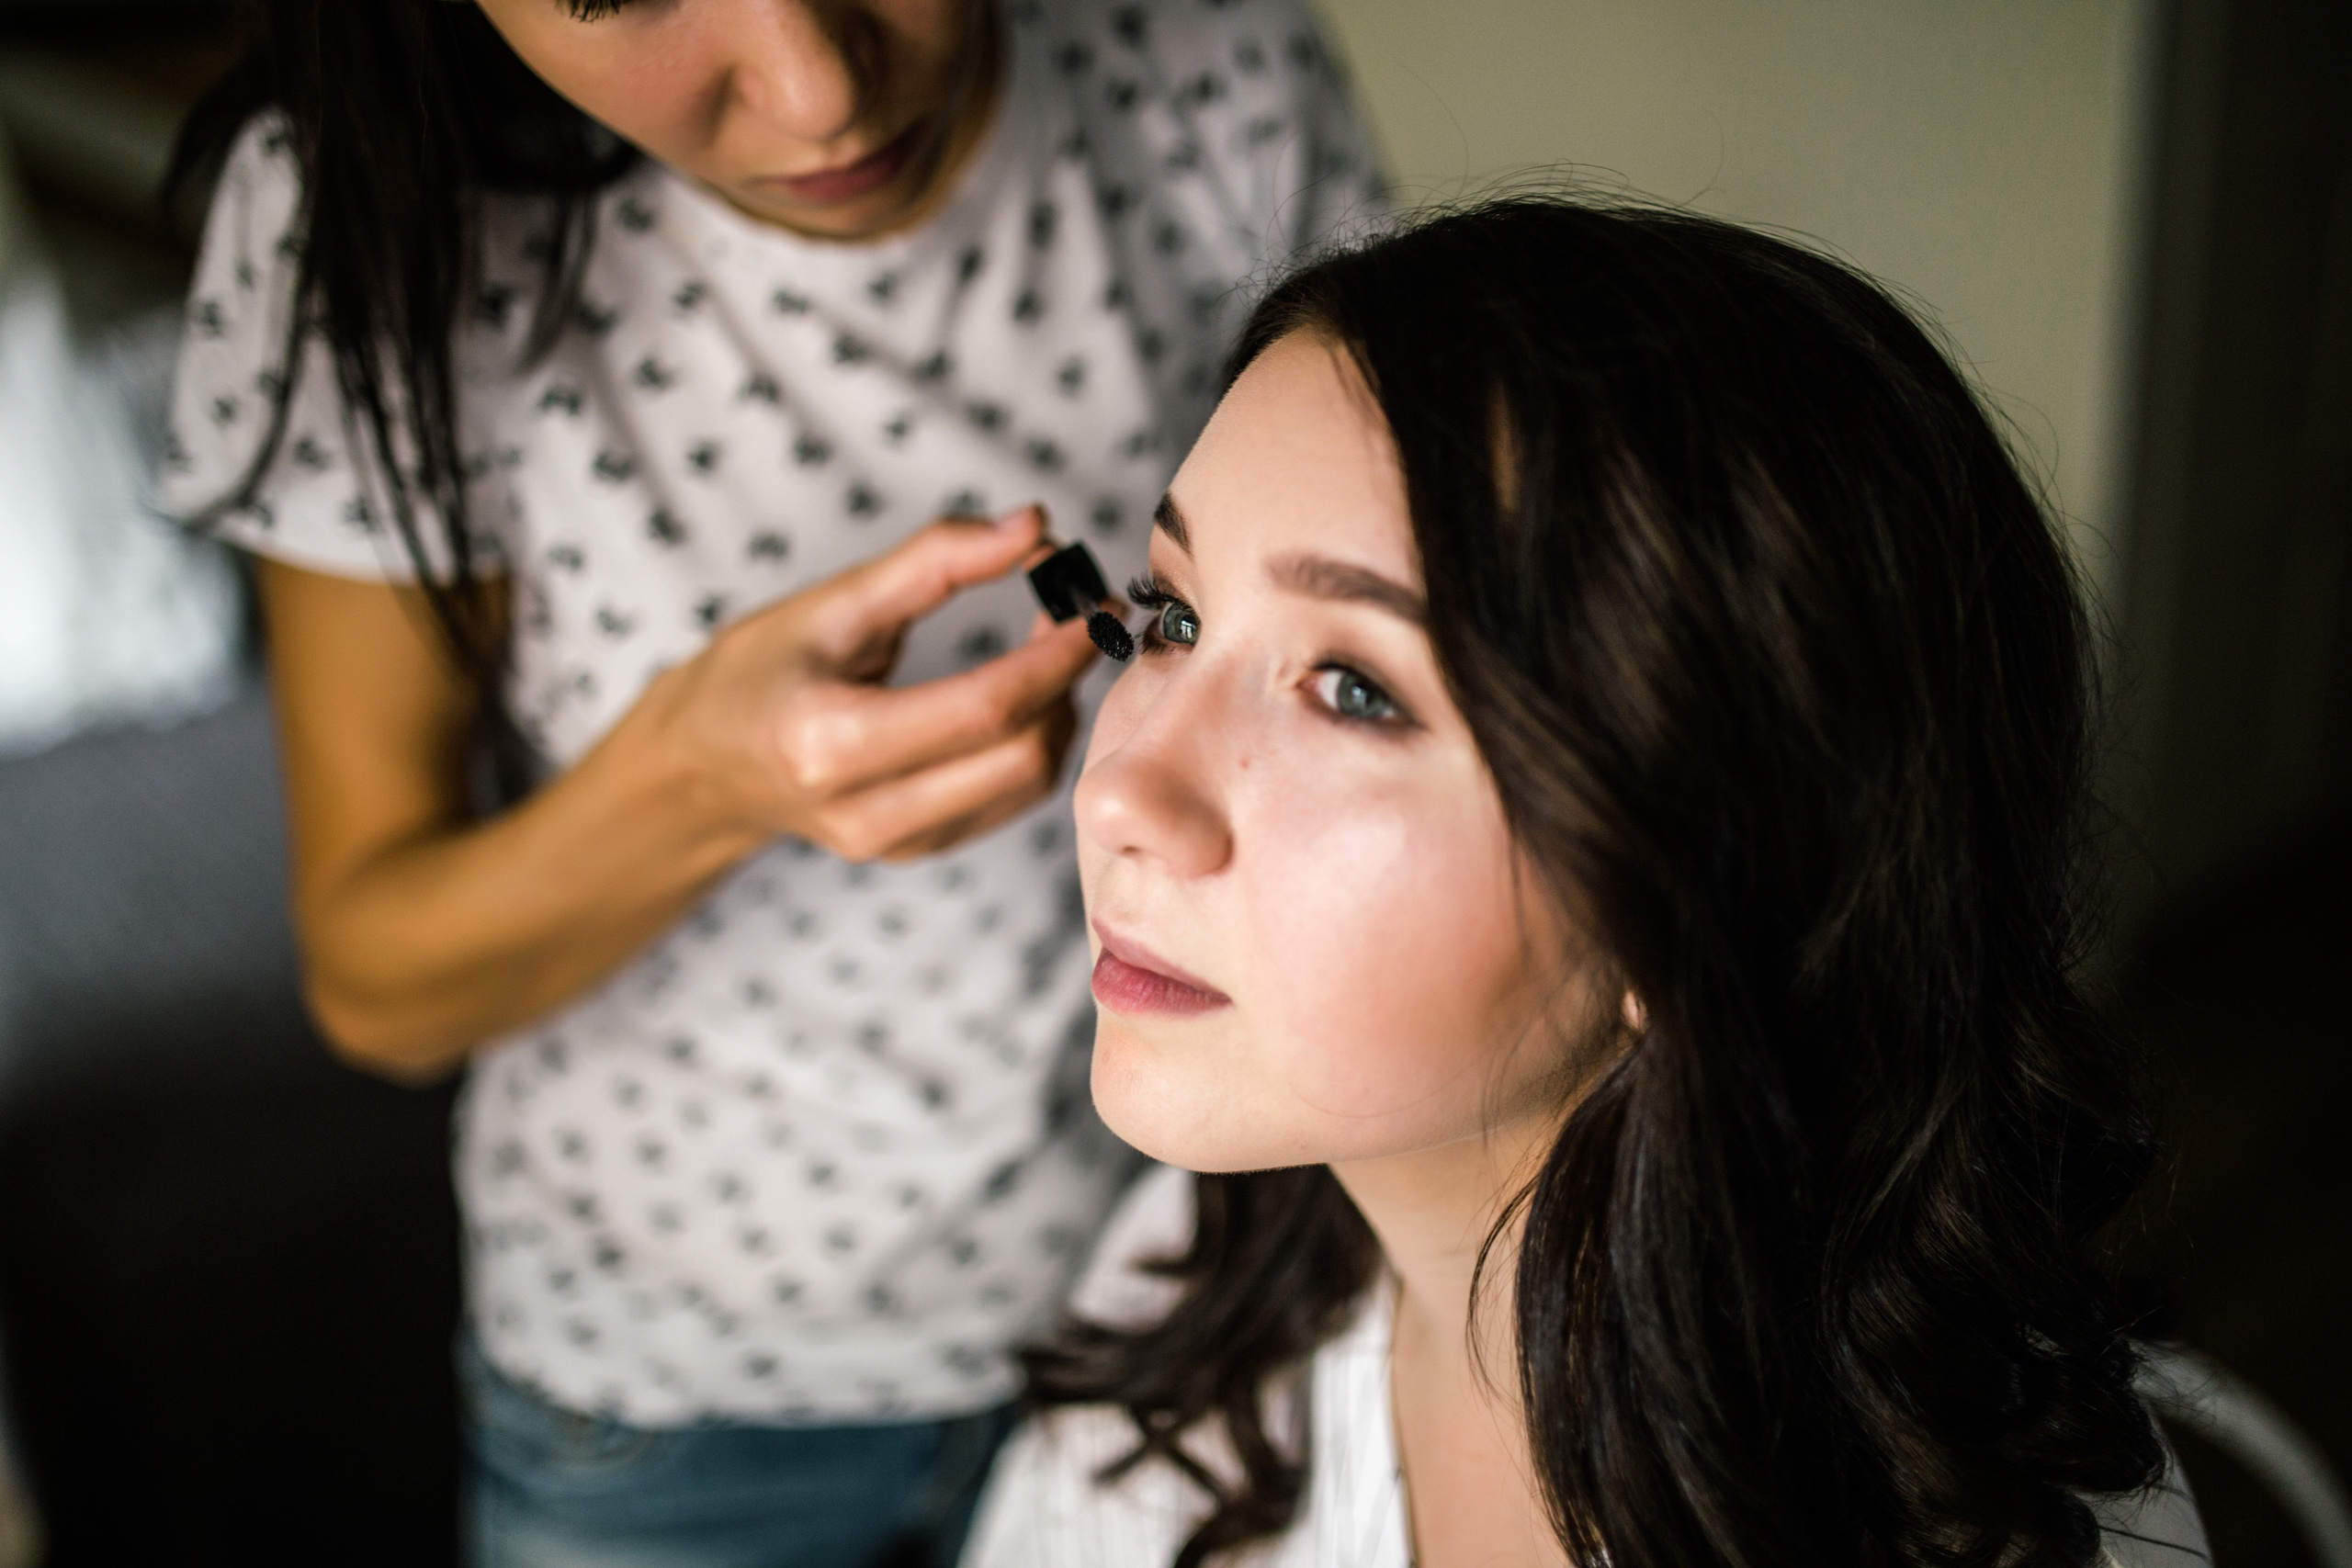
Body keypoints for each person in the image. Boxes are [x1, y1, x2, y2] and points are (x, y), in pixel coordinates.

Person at [158, 0, 1383, 1562]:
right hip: (676, 1411)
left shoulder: (1204, 48)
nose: (820, 95)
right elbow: (374, 981)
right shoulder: (367, 216)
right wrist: (700, 785)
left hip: (1178, 1299)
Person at [959, 197, 2213, 1568]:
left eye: (1355, 691)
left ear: (1702, 894)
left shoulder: (2002, 1539)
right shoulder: (1205, 1260)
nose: (1119, 792)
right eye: (1174, 617)